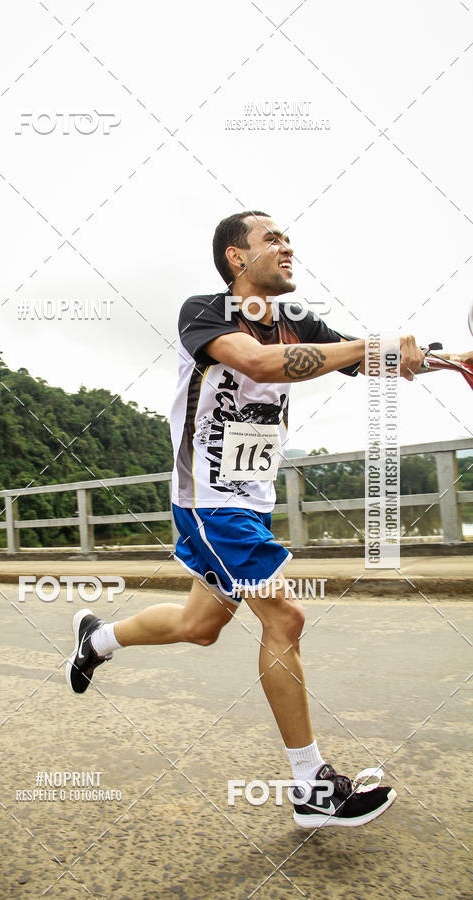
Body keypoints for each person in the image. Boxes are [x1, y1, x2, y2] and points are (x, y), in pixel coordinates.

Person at [65, 210, 457, 828]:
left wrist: (450, 359)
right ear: (235, 259)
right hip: (208, 500)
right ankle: (311, 787)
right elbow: (263, 365)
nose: (287, 247)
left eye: (289, 238)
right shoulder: (206, 312)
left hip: (250, 498)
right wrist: (374, 345)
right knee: (287, 615)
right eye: (271, 239)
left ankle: (98, 639)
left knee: (200, 625)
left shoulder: (299, 322)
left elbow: (366, 362)